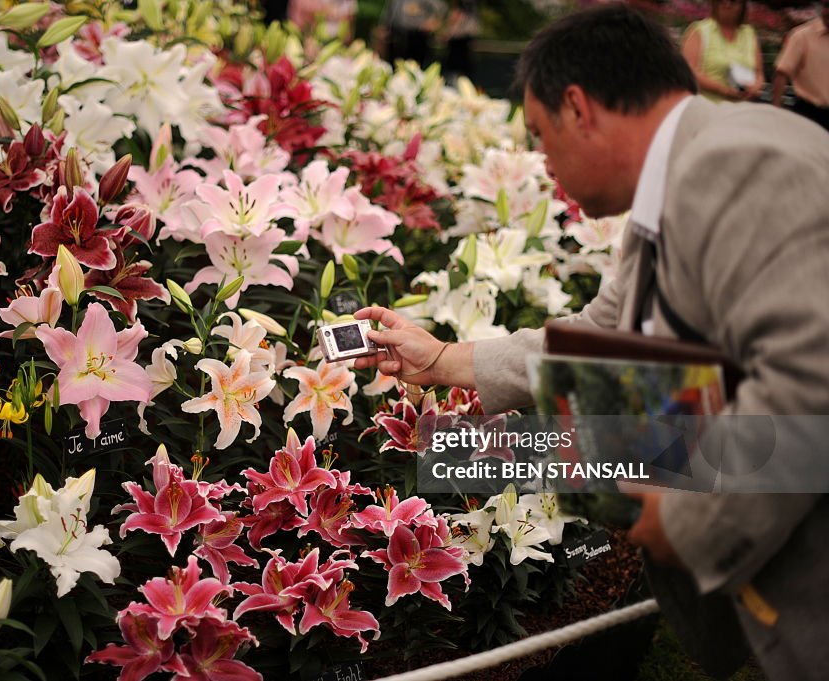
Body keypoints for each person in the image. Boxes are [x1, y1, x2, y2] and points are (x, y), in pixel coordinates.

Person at [355, 5, 829, 679]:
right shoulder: (693, 166)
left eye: (542, 137)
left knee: (484, 453)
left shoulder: (735, 163)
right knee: (467, 453)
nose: (543, 163)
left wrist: (689, 523)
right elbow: (603, 334)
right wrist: (441, 360)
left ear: (578, 107)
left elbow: (811, 381)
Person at [681, 0, 765, 101]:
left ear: (743, 6)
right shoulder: (699, 31)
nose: (727, 5)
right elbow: (689, 72)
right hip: (708, 107)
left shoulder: (749, 33)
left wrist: (756, 87)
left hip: (743, 109)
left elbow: (759, 73)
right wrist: (724, 90)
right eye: (721, 1)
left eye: (733, 2)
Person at [771, 1, 829, 131]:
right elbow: (782, 73)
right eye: (827, 6)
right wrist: (776, 111)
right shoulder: (801, 36)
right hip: (810, 114)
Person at [379, 0, 446, 68]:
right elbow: (388, 14)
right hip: (396, 37)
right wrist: (384, 28)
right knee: (395, 66)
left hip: (417, 37)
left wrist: (432, 23)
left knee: (417, 67)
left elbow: (441, 8)